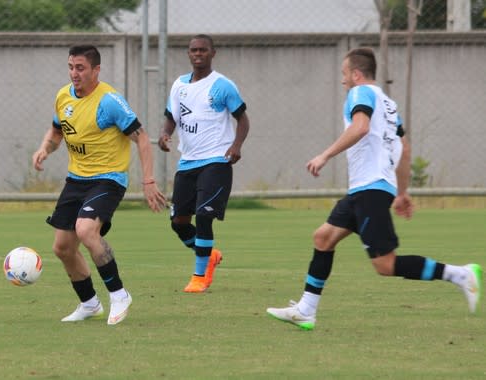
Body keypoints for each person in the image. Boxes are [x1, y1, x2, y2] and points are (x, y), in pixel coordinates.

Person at [266, 47, 482, 330]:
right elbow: (404, 148)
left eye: (344, 74)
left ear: (356, 75)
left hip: (369, 188)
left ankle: (460, 274)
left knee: (385, 265)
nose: (342, 80)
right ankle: (306, 310)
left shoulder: (359, 93)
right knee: (323, 238)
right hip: (367, 189)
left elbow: (360, 127)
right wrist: (402, 192)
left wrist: (325, 155)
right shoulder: (389, 105)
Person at [32, 44, 166, 325]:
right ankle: (89, 304)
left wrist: (149, 180)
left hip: (109, 178)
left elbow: (141, 138)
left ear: (96, 70)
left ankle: (119, 294)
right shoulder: (63, 96)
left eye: (80, 68)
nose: (74, 73)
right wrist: (45, 148)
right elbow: (57, 130)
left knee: (85, 230)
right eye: (71, 67)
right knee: (62, 247)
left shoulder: (109, 102)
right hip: (76, 180)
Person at [158, 34, 250, 293]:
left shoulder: (222, 85)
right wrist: (165, 134)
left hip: (216, 161)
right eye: (193, 50)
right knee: (178, 222)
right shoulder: (179, 85)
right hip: (187, 163)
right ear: (188, 54)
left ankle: (200, 277)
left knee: (205, 216)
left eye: (203, 50)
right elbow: (171, 117)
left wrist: (236, 146)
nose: (198, 54)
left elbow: (243, 119)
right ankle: (208, 254)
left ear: (213, 53)